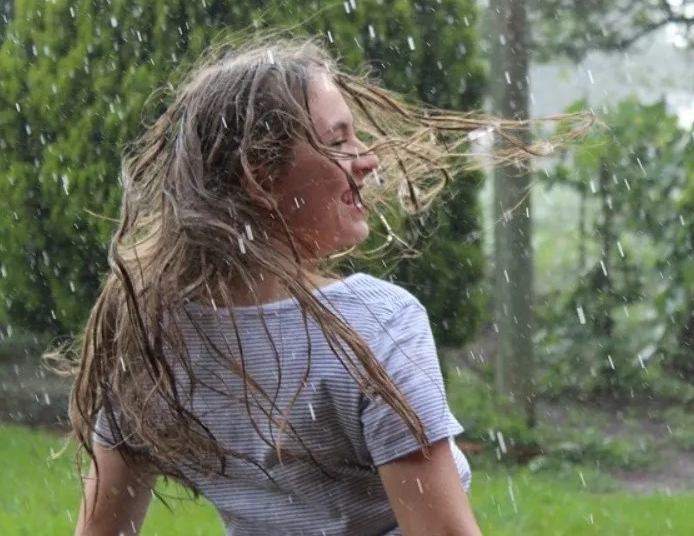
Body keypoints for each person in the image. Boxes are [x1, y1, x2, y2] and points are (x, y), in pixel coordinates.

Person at [57, 34, 579, 536]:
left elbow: (100, 529)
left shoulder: (154, 336)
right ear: (261, 177)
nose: (369, 158)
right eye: (339, 140)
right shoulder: (377, 324)